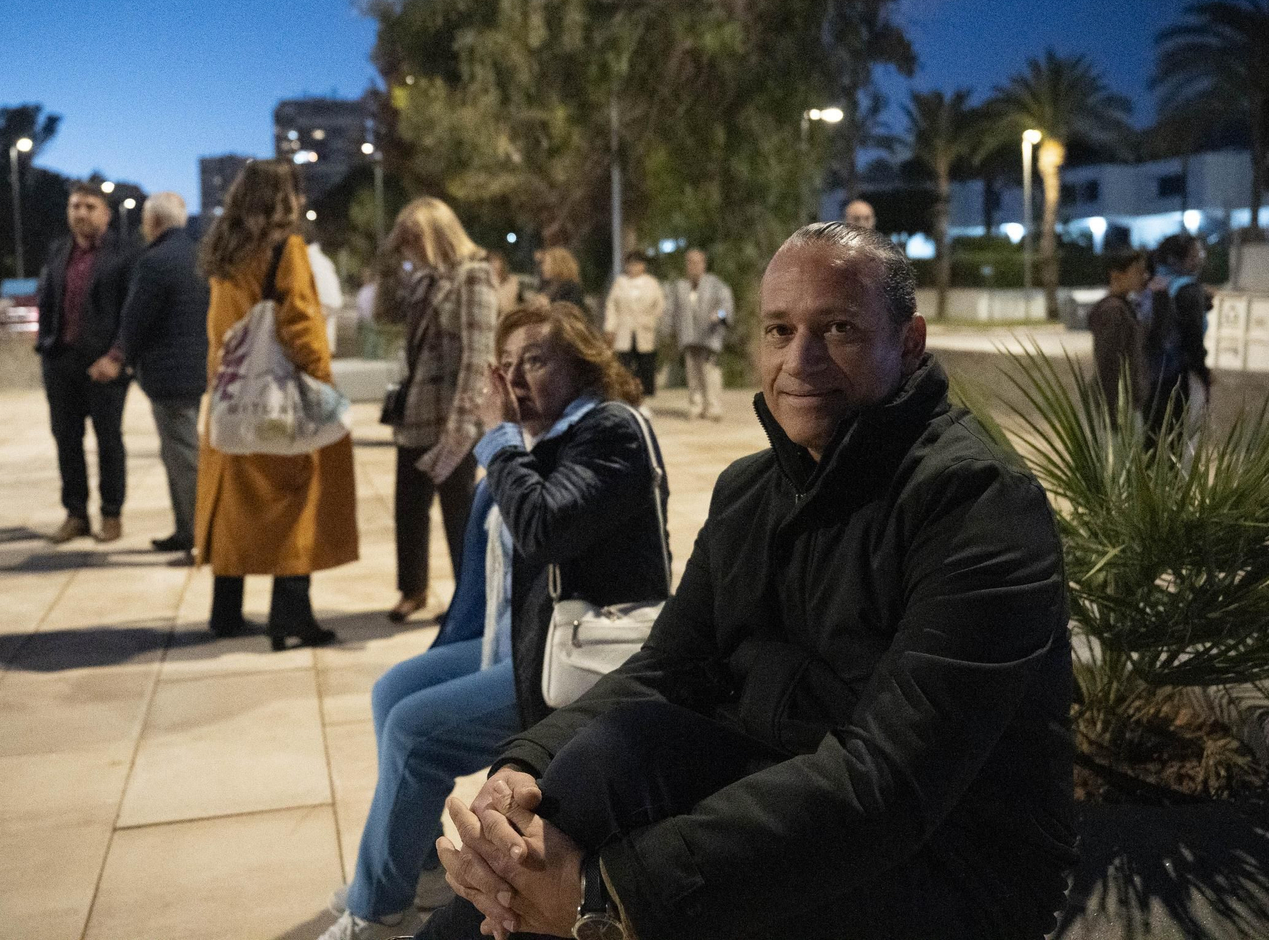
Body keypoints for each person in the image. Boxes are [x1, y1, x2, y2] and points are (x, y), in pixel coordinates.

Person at [423, 222, 1077, 940]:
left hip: (951, 864)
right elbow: (666, 667)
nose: (800, 359)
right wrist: (526, 765)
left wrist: (607, 894)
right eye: (778, 329)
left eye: (838, 328)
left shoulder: (978, 505)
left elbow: (888, 781)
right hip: (786, 792)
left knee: (594, 887)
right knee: (594, 770)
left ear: (910, 342)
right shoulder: (752, 491)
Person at [315, 299, 671, 940]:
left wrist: (500, 441)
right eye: (506, 365)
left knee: (415, 731)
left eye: (535, 361)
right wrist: (438, 656)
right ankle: (419, 868)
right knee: (395, 688)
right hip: (525, 643)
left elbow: (543, 527)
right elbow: (483, 591)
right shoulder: (540, 441)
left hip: (580, 657)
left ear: (583, 365)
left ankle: (375, 913)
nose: (515, 381)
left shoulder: (610, 429)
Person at [194, 160, 357, 647]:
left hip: (232, 397)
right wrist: (323, 386)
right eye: (297, 193)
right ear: (283, 199)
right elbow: (302, 323)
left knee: (233, 507)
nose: (303, 202)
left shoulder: (225, 250)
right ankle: (291, 616)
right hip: (278, 401)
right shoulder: (285, 249)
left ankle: (225, 612)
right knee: (296, 504)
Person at [383, 197, 497, 623]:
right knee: (409, 507)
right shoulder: (424, 281)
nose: (407, 248)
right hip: (415, 414)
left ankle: (468, 602)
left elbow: (478, 357)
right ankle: (412, 588)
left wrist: (464, 423)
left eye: (413, 239)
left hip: (453, 421)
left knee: (459, 515)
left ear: (435, 234)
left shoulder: (474, 277)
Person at [87, 191, 208, 563]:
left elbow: (136, 318)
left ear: (153, 222)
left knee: (183, 456)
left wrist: (115, 357)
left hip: (168, 374)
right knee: (178, 452)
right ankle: (187, 530)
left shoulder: (153, 261)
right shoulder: (200, 256)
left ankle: (201, 537)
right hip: (195, 369)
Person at [35, 181, 139, 544]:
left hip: (105, 365)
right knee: (66, 439)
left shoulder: (125, 254)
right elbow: (47, 300)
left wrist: (117, 356)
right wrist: (44, 346)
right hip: (61, 362)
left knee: (109, 440)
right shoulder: (57, 251)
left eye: (89, 206)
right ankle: (75, 513)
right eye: (75, 206)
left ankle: (112, 514)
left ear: (106, 214)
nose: (80, 213)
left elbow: (133, 312)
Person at [1143, 232, 1211, 440]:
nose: (1201, 256)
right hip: (1177, 375)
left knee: (1152, 438)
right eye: (1195, 253)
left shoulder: (1153, 283)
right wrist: (1203, 373)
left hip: (1148, 374)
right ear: (1177, 259)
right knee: (1178, 439)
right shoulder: (1188, 289)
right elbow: (1193, 340)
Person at [668, 247, 734, 421]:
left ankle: (713, 407)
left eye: (697, 262)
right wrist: (670, 331)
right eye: (690, 262)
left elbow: (726, 306)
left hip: (709, 336)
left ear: (704, 264)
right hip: (689, 337)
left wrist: (718, 316)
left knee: (710, 373)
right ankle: (696, 406)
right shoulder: (680, 287)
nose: (693, 266)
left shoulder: (715, 284)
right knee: (692, 374)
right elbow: (672, 311)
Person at [1088, 248, 1149, 426]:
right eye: (1137, 271)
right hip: (1120, 407)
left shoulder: (1123, 307)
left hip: (1128, 403)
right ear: (1116, 275)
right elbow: (1108, 363)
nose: (1143, 276)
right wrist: (1113, 412)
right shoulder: (1113, 311)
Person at [603, 250, 666, 409]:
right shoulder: (620, 282)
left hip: (644, 331)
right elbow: (612, 306)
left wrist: (651, 320)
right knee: (624, 365)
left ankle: (644, 399)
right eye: (630, 264)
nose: (632, 267)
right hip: (624, 332)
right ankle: (624, 397)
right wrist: (610, 327)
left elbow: (660, 306)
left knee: (645, 365)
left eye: (636, 264)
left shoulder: (651, 283)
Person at [309, 238, 345, 355]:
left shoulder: (306, 258)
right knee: (329, 326)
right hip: (334, 299)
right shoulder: (325, 261)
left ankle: (319, 352)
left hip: (321, 299)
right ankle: (328, 350)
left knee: (317, 327)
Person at [535, 247, 586, 315]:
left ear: (557, 265)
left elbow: (570, 314)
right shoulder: (547, 286)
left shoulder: (572, 288)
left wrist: (548, 306)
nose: (543, 267)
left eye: (546, 263)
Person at [487, 249, 522, 316]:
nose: (493, 265)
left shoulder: (512, 281)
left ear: (502, 263)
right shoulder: (487, 282)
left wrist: (496, 285)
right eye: (490, 262)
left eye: (496, 261)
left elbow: (506, 307)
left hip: (508, 320)